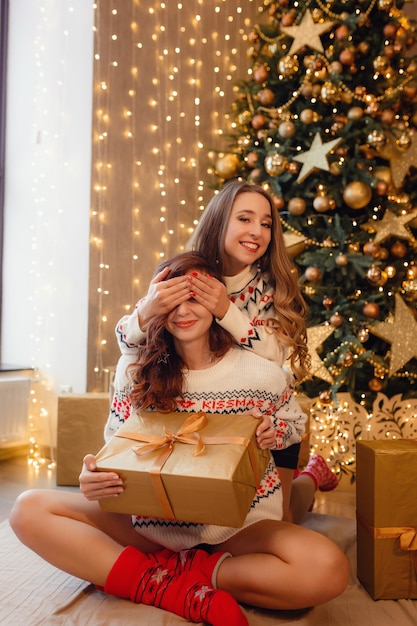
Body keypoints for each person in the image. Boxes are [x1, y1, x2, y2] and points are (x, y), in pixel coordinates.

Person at [10, 252, 349, 626]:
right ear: (156, 306)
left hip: (235, 529)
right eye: (171, 299)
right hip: (149, 527)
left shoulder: (258, 372)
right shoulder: (134, 370)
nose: (183, 311)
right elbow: (116, 446)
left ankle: (190, 571)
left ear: (218, 303)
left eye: (195, 297)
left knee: (328, 568)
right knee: (27, 509)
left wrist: (273, 431)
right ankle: (165, 587)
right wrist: (95, 476)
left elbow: (293, 424)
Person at [114, 179, 338, 521]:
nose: (257, 231)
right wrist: (147, 311)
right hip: (203, 415)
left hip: (264, 420)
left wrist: (226, 311)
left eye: (266, 224)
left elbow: (276, 361)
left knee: (280, 517)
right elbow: (130, 345)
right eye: (245, 218)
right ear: (219, 221)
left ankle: (310, 477)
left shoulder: (271, 289)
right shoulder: (184, 272)